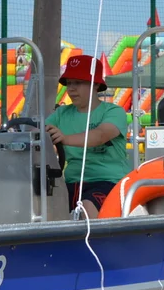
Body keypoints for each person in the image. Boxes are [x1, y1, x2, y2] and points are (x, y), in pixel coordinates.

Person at [45, 55, 129, 218]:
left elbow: (101, 135)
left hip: (109, 182)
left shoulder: (113, 112)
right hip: (70, 184)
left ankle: (95, 242)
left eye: (78, 82)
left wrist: (63, 138)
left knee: (87, 207)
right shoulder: (61, 113)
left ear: (96, 84)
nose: (71, 89)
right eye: (69, 83)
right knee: (38, 205)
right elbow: (37, 134)